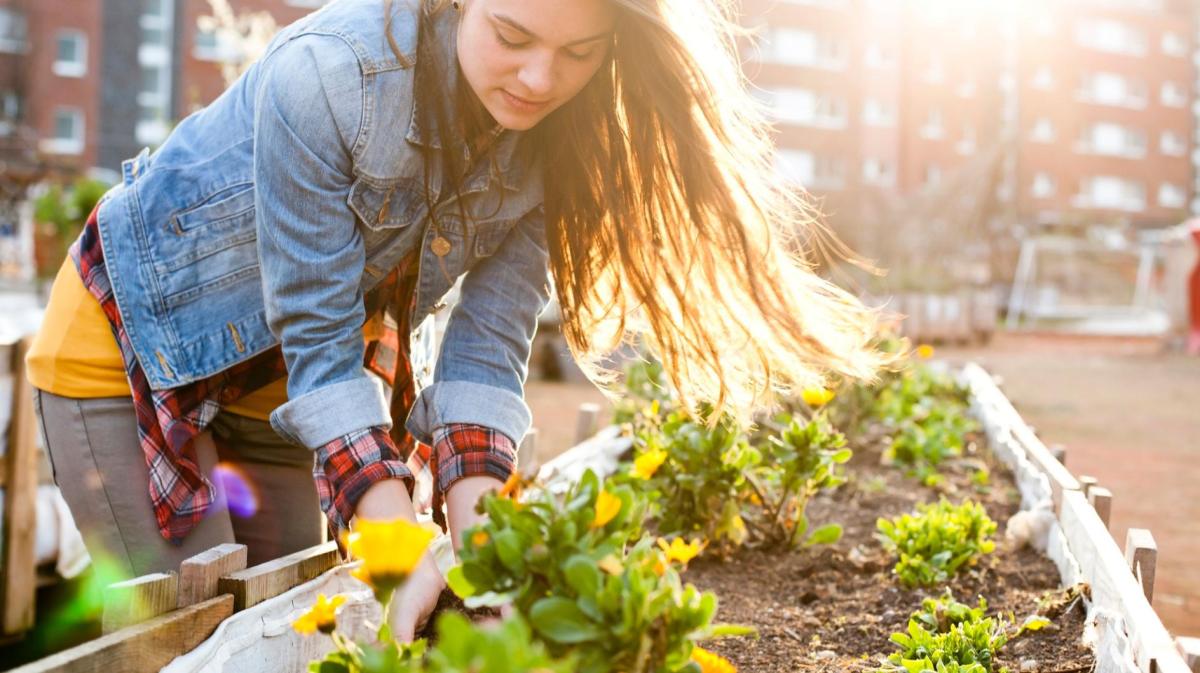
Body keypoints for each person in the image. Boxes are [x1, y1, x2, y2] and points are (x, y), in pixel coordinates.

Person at [25, 0, 886, 639]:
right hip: (138, 352)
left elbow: (487, 345)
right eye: (512, 37)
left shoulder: (562, 137)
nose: (541, 78)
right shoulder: (329, 77)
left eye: (579, 53)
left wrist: (487, 545)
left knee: (291, 632)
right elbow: (322, 342)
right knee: (205, 635)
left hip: (283, 389)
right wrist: (402, 542)